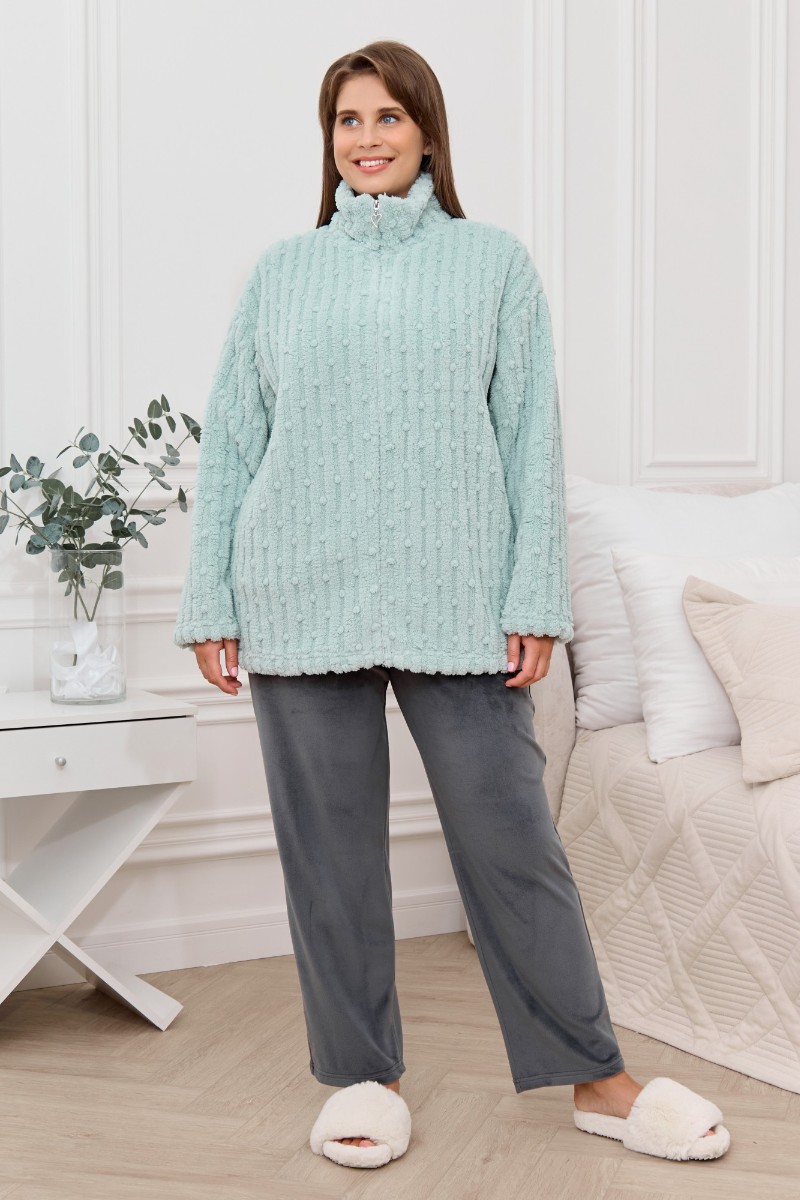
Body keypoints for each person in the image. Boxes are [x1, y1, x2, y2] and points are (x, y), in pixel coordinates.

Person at [173, 39, 729, 1169]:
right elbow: (232, 442)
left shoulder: (492, 265)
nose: (366, 138)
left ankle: (596, 1075)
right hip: (298, 594)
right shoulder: (283, 273)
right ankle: (362, 1075)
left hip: (460, 601)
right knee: (330, 859)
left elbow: (531, 440)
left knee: (511, 841)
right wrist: (209, 602)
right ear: (327, 141)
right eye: (347, 120)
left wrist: (535, 597)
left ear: (427, 132)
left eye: (388, 116)